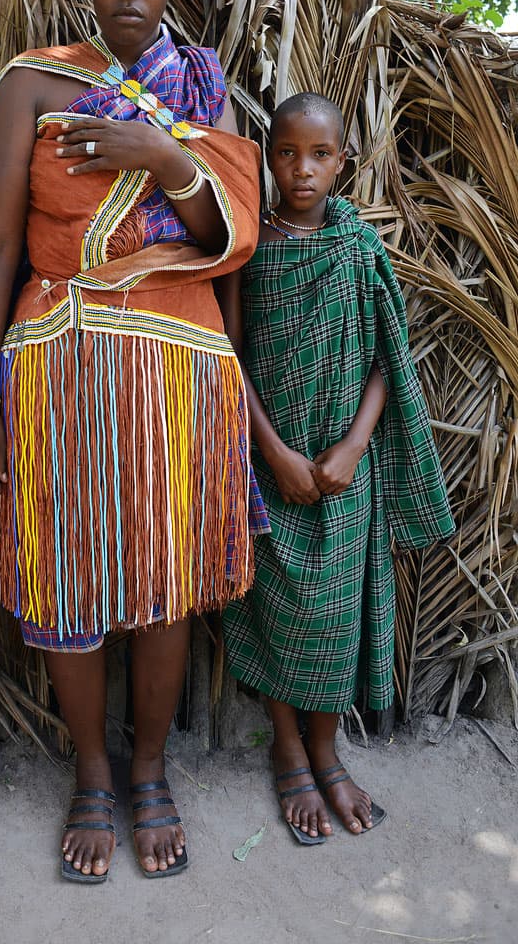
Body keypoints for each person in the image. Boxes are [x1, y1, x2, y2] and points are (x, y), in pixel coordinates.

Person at [0, 0, 268, 881]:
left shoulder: (201, 87)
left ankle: (148, 770)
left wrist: (163, 155)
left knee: (167, 580)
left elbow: (229, 232)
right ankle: (91, 773)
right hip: (59, 363)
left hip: (178, 372)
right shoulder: (33, 84)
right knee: (62, 570)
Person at [223, 92, 455, 844]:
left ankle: (326, 751)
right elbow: (228, 355)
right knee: (274, 605)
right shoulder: (249, 245)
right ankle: (288, 750)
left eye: (319, 155)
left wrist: (354, 446)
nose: (302, 169)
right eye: (287, 153)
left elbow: (389, 355)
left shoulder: (357, 246)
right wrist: (273, 451)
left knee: (335, 613)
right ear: (268, 158)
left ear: (343, 162)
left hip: (343, 468)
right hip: (269, 462)